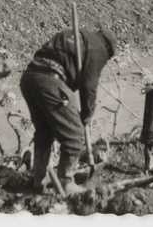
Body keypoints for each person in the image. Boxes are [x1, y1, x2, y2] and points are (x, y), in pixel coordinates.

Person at [20, 27, 117, 194]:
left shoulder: (77, 35)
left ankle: (38, 179)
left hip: (30, 78)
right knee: (74, 135)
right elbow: (89, 86)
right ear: (108, 49)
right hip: (50, 80)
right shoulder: (99, 48)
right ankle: (66, 182)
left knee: (44, 132)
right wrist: (86, 115)